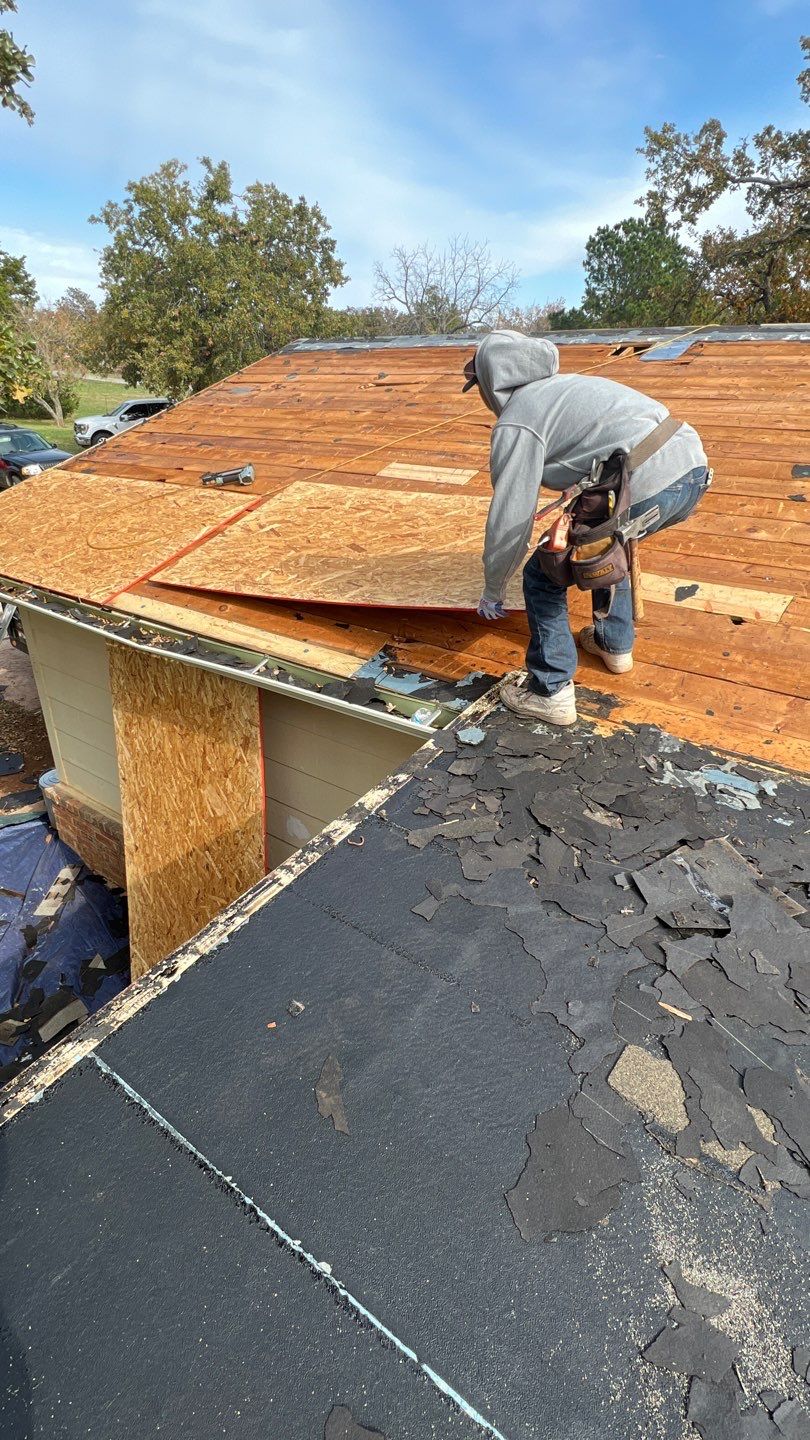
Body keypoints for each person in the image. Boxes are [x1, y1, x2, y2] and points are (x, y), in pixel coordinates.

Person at [464, 330, 709, 726]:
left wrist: (494, 588)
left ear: (491, 380)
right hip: (691, 471)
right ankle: (614, 646)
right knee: (604, 547)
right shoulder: (564, 389)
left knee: (544, 574)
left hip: (645, 481)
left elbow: (511, 514)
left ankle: (551, 691)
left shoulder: (519, 421)